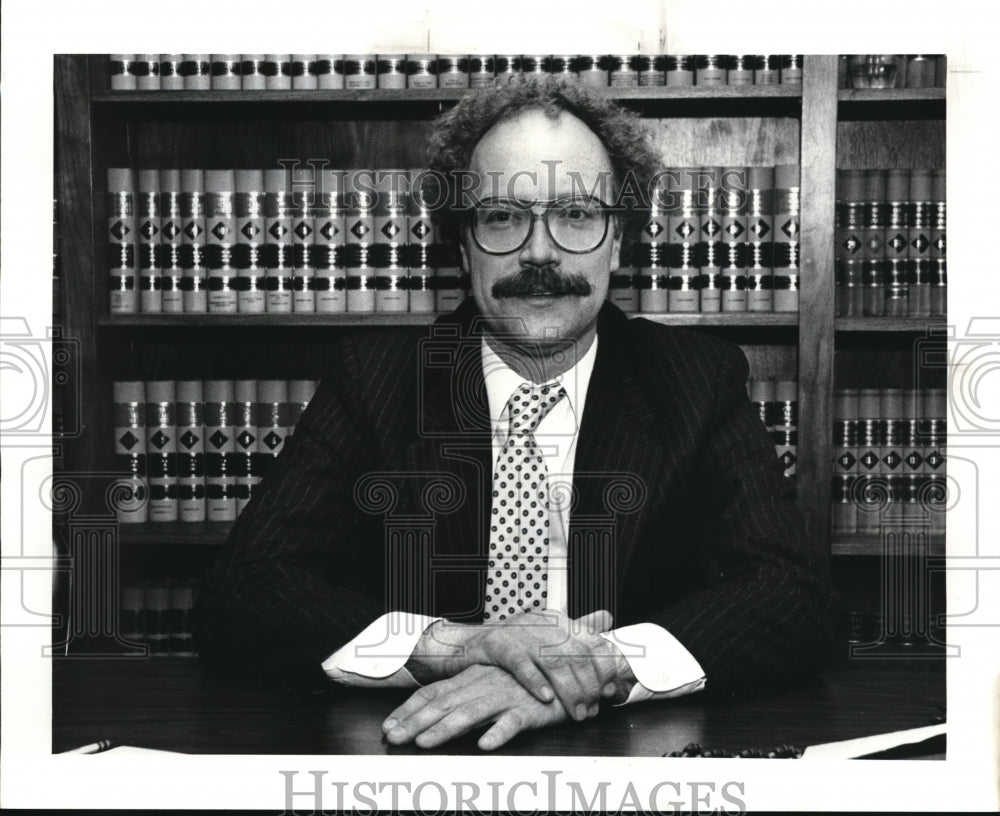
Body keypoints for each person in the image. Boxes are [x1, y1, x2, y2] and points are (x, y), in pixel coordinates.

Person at [196, 76, 835, 752]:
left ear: (618, 242)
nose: (539, 252)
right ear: (464, 244)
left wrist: (594, 670)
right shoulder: (375, 378)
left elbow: (792, 597)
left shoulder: (695, 380)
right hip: (412, 757)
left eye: (578, 215)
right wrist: (455, 647)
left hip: (626, 756)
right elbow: (244, 593)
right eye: (502, 216)